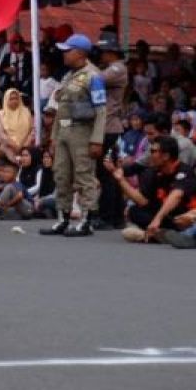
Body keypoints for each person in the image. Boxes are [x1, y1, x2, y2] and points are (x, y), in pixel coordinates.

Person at [39, 34, 106, 238]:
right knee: (61, 175)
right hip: (64, 131)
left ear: (79, 53)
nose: (64, 54)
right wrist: (53, 137)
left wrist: (97, 139)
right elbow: (60, 111)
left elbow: (101, 110)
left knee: (84, 175)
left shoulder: (93, 76)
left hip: (82, 131)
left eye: (67, 50)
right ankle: (63, 218)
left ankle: (86, 219)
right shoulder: (68, 76)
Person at [110, 135, 194, 243]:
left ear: (166, 156)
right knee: (134, 211)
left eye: (153, 151)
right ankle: (162, 234)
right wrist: (121, 180)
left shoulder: (184, 171)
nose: (150, 154)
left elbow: (176, 196)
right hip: (167, 219)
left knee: (184, 219)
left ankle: (158, 234)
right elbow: (143, 201)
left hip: (185, 217)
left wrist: (157, 219)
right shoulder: (153, 173)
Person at [95, 34, 129, 228]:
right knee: (107, 171)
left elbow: (97, 79)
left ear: (111, 52)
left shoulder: (117, 68)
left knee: (107, 172)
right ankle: (114, 216)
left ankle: (108, 215)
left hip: (110, 127)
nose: (101, 55)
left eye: (104, 52)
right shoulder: (110, 68)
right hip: (105, 125)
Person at [0, 157, 33, 222]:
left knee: (9, 187)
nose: (4, 174)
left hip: (28, 208)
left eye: (7, 172)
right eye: (3, 172)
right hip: (17, 211)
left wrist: (8, 204)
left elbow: (20, 195)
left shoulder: (16, 184)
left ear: (15, 175)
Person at [0, 88, 33, 163]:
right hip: (8, 148)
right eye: (11, 99)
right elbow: (0, 133)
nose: (14, 101)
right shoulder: (1, 114)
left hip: (26, 147)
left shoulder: (26, 111)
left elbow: (31, 129)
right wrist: (14, 145)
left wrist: (24, 144)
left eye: (16, 98)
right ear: (6, 100)